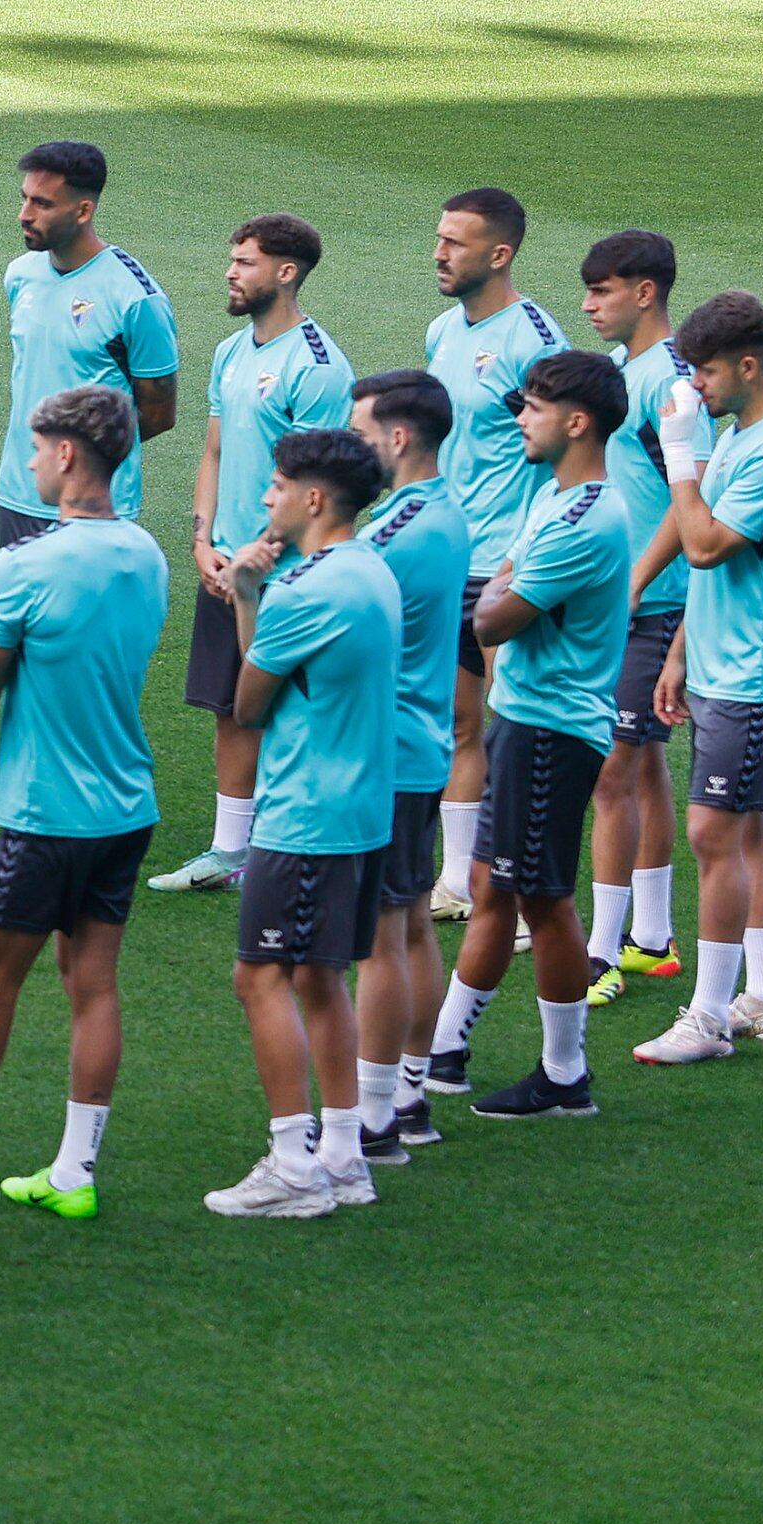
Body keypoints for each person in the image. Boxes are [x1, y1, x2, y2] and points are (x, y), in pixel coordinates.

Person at [0, 386, 166, 1221]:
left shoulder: (25, 565)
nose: (33, 460)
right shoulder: (148, 553)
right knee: (93, 984)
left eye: (41, 447)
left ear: (70, 456)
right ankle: (76, 1170)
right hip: (128, 805)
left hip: (47, 814)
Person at [424, 350, 633, 1120]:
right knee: (496, 890)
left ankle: (564, 1073)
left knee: (542, 901)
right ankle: (442, 1050)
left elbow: (491, 614)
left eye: (534, 407)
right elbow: (502, 582)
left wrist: (503, 593)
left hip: (551, 730)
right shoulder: (553, 498)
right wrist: (506, 587)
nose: (519, 418)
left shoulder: (586, 517)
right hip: (525, 719)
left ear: (577, 422)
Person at [209, 428, 400, 1218]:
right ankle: (345, 1156)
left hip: (303, 815)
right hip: (359, 811)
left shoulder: (308, 588)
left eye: (278, 485)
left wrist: (251, 595)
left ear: (314, 499)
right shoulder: (371, 571)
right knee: (322, 976)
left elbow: (249, 704)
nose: (264, 497)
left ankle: (293, 1165)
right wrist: (258, 596)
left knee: (260, 975)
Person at [633, 292, 763, 1064]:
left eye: (706, 373)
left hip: (755, 675)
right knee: (746, 828)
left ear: (748, 366)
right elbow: (719, 571)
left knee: (714, 832)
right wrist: (679, 653)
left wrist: (680, 456)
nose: (696, 389)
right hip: (720, 663)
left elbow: (705, 544)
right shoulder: (744, 433)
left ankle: (709, 1017)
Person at [155, 214, 351, 894]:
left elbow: (315, 486)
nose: (231, 272)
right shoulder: (230, 351)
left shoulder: (318, 368)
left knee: (295, 706)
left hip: (288, 571)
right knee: (231, 703)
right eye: (232, 259)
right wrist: (205, 541)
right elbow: (212, 451)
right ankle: (229, 849)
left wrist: (258, 555)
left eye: (245, 262)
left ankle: (300, 844)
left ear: (286, 272)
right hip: (230, 565)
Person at [418, 187, 573, 920]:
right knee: (457, 720)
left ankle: (520, 889)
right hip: (451, 559)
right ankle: (458, 878)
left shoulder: (533, 340)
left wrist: (529, 554)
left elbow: (563, 454)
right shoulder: (443, 331)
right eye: (440, 238)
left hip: (509, 565)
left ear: (499, 253)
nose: (439, 252)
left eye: (456, 242)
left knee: (516, 732)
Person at [341, 370, 471, 1157]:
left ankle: (376, 1117)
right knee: (413, 920)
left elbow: (328, 595)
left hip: (385, 753)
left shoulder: (402, 531)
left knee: (382, 936)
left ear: (396, 439)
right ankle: (410, 1094)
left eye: (358, 436)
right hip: (418, 748)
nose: (350, 450)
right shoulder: (437, 510)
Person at [575, 229, 690, 1004]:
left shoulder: (673, 382)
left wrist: (633, 583)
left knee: (611, 769)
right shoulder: (623, 371)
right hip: (633, 598)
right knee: (640, 762)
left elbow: (694, 503)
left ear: (644, 292)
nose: (587, 306)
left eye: (602, 292)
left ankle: (600, 948)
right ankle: (653, 937)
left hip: (657, 603)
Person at [0, 141, 179, 549]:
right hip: (18, 494)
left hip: (96, 509)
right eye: (24, 199)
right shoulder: (21, 275)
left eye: (42, 204)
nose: (24, 215)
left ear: (83, 211)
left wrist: (81, 458)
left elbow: (159, 413)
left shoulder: (136, 298)